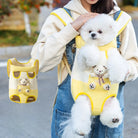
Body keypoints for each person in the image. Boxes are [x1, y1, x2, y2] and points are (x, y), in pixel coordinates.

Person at [31, 0, 138, 137]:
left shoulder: (120, 20)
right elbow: (40, 62)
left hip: (110, 111)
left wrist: (121, 70)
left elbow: (134, 63)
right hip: (72, 111)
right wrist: (71, 29)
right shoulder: (60, 18)